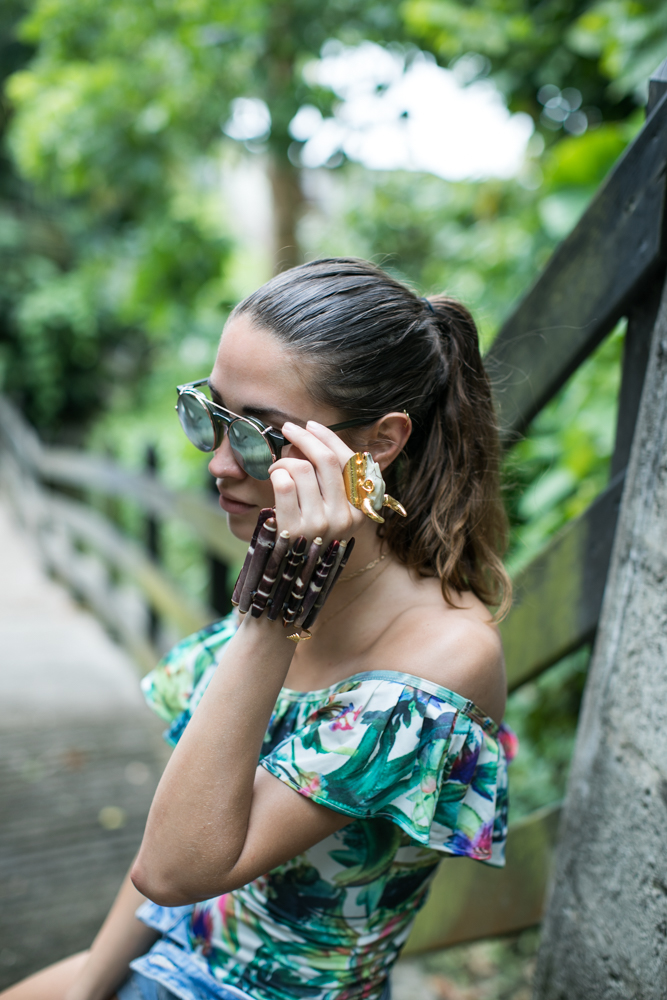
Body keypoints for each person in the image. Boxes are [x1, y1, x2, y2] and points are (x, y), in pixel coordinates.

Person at [2, 258, 516, 1000]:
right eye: (209, 414)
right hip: (165, 962)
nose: (216, 462)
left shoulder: (439, 664)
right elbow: (167, 867)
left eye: (256, 435)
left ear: (376, 443)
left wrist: (276, 604)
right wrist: (90, 984)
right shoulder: (293, 602)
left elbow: (175, 871)